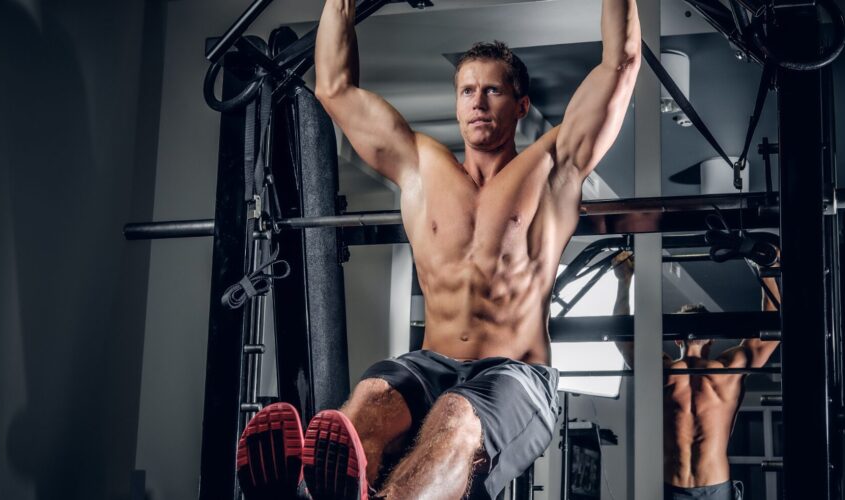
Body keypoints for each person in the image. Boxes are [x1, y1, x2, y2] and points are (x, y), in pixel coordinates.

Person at [236, 1, 643, 499]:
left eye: (493, 90)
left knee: (455, 417)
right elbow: (335, 89)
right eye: (468, 90)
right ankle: (304, 490)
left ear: (520, 105)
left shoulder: (554, 165)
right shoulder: (419, 165)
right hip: (431, 361)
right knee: (369, 401)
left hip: (516, 374)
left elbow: (620, 64)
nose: (478, 102)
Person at [611, 250, 781, 500]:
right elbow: (771, 332)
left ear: (677, 338)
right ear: (711, 337)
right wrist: (766, 271)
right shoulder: (727, 374)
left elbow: (623, 338)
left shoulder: (663, 374)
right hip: (713, 486)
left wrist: (623, 280)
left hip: (673, 486)